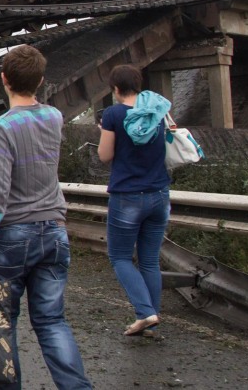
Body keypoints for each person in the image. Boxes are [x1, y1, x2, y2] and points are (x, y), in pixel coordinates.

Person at [0, 45, 92, 390]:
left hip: (13, 238)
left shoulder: (1, 128)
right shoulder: (54, 117)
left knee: (1, 324)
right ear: (41, 81)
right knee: (52, 321)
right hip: (54, 232)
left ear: (4, 80)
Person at [97, 64, 173, 337]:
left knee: (119, 257)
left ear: (115, 89)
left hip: (128, 196)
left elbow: (105, 155)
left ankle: (145, 312)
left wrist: (106, 132)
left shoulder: (113, 114)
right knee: (150, 260)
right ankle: (151, 316)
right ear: (138, 85)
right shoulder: (156, 111)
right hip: (160, 194)